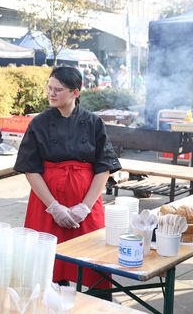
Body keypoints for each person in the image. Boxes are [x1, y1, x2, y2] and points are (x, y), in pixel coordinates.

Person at [13, 66, 121, 298]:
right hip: (47, 204)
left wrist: (85, 206)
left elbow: (104, 167)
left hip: (86, 203)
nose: (51, 94)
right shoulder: (39, 123)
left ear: (75, 92)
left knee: (94, 262)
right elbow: (30, 169)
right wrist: (53, 207)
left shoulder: (93, 123)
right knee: (48, 263)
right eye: (49, 88)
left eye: (58, 90)